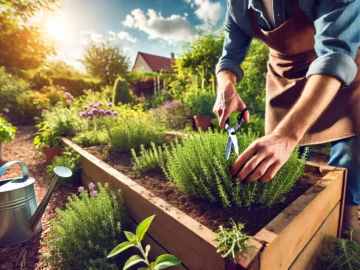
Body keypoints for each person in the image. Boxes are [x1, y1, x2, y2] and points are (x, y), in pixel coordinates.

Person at [214, 0, 360, 242]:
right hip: (284, 75)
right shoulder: (238, 5)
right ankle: (295, 230)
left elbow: (335, 53)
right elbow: (229, 57)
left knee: (350, 153)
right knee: (288, 165)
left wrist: (286, 135)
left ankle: (347, 228)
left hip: (340, 71)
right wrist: (226, 86)